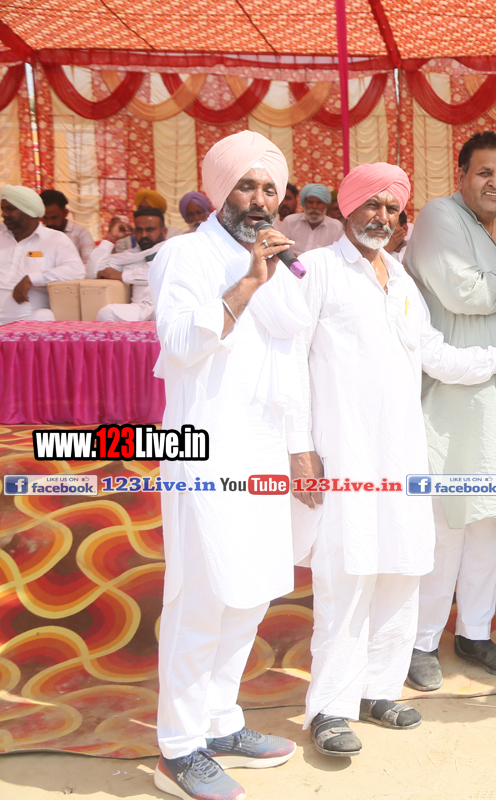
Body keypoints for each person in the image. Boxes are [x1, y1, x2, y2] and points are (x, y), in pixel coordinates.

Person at [288, 163, 496, 758]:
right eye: (372, 204)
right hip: (344, 454)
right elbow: (289, 362)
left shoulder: (403, 281)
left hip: (403, 454)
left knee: (402, 569)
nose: (381, 217)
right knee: (348, 577)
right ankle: (329, 707)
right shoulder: (318, 270)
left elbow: (439, 357)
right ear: (347, 206)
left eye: (392, 208)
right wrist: (299, 448)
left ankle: (379, 690)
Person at [149, 130, 304, 800]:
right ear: (221, 191)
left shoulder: (276, 263)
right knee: (202, 596)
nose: (260, 199)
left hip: (263, 449)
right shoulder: (183, 255)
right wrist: (246, 283)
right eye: (247, 185)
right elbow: (180, 344)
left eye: (270, 188)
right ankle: (178, 748)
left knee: (251, 591)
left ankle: (218, 722)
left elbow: (293, 348)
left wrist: (300, 444)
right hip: (203, 450)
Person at [404, 131, 496, 690]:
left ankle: (474, 631)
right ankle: (421, 640)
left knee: (494, 516)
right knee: (448, 521)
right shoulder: (439, 218)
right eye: (484, 172)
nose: (495, 183)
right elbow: (462, 292)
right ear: (462, 175)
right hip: (454, 396)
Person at [0, 185, 84, 323]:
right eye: (3, 209)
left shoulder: (55, 239)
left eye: (10, 209)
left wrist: (32, 279)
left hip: (28, 322)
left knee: (45, 316)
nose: (4, 214)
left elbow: (76, 270)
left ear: (29, 211)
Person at [94, 206, 168, 321]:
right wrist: (110, 238)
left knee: (161, 315)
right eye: (139, 230)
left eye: (150, 229)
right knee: (106, 313)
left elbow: (161, 274)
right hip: (139, 307)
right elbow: (94, 271)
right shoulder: (128, 256)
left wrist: (122, 276)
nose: (144, 235)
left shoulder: (172, 250)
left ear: (164, 232)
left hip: (167, 305)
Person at [279, 183, 342, 254]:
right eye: (310, 202)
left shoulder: (336, 227)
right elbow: (279, 248)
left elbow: (338, 254)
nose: (314, 206)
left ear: (326, 206)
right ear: (304, 204)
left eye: (319, 203)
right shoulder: (290, 221)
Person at [39, 189, 95, 263]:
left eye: (54, 218)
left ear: (65, 213)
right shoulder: (38, 235)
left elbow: (89, 265)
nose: (49, 223)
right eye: (45, 218)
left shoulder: (81, 234)